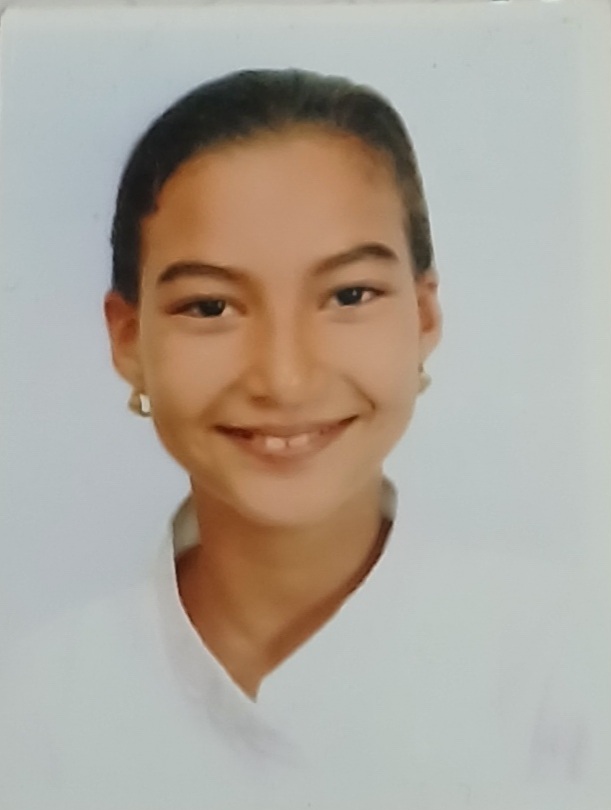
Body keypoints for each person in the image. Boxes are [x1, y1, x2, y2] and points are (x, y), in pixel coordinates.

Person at [0, 68, 603, 810]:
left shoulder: (567, 670)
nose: (284, 380)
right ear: (128, 340)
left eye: (349, 295)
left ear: (423, 317)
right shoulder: (30, 712)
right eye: (210, 307)